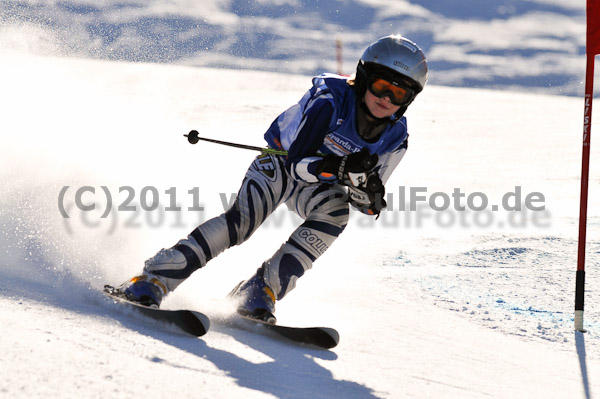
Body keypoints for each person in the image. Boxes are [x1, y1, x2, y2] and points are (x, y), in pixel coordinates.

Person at [115, 35, 428, 323]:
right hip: (280, 163)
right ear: (362, 80)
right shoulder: (330, 100)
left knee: (336, 214)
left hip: (320, 185)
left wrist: (367, 191)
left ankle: (259, 291)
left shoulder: (396, 136)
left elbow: (369, 205)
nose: (386, 98)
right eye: (381, 86)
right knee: (242, 224)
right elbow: (297, 164)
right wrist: (343, 170)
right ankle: (153, 278)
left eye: (399, 93)